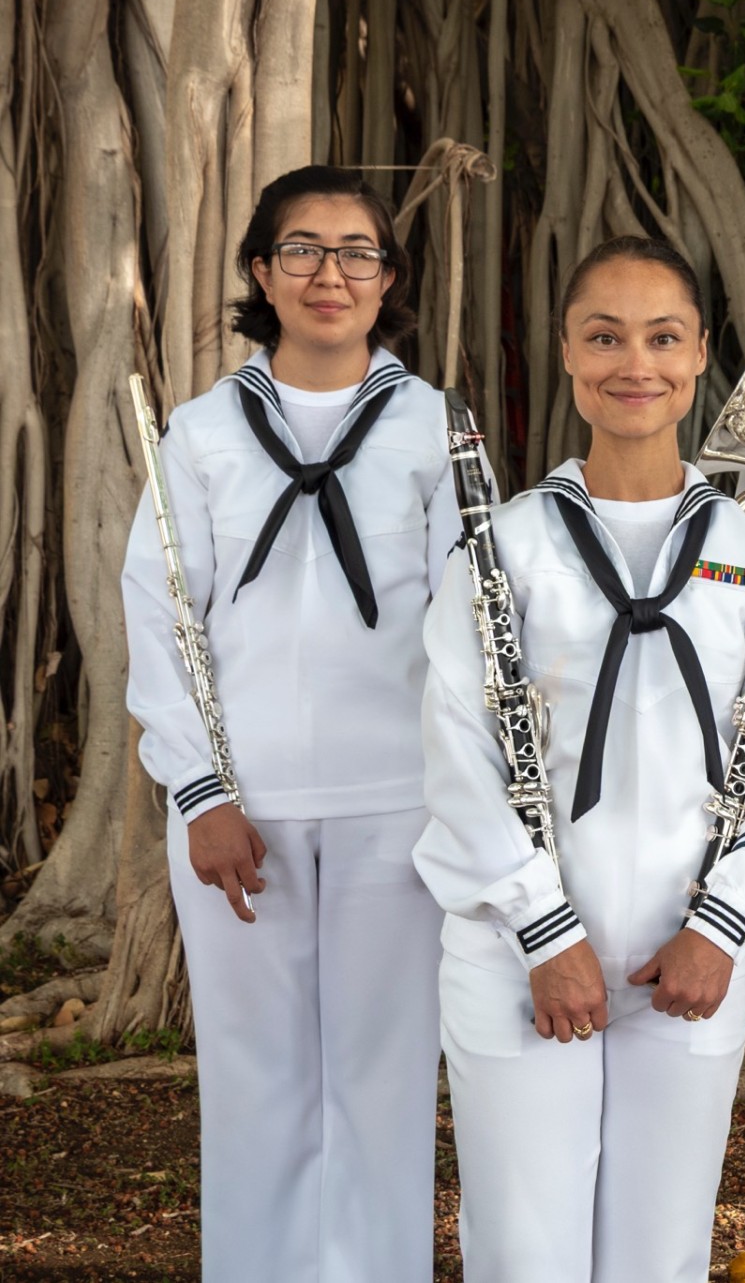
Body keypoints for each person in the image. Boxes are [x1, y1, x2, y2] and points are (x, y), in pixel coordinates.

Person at [412, 236, 745, 1283]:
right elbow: (460, 751)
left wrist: (726, 923)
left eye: (662, 338)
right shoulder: (501, 543)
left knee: (662, 1248)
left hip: (692, 952)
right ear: (566, 352)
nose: (633, 364)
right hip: (518, 952)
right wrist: (541, 930)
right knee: (525, 1249)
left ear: (701, 358)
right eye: (604, 337)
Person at [122, 165, 451, 1280]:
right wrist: (202, 792)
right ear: (262, 271)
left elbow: (467, 618)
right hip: (238, 809)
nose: (329, 273)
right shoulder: (204, 430)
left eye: (357, 250)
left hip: (396, 805)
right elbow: (160, 616)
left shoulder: (433, 427)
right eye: (301, 249)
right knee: (256, 1079)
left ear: (388, 277)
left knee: (384, 1079)